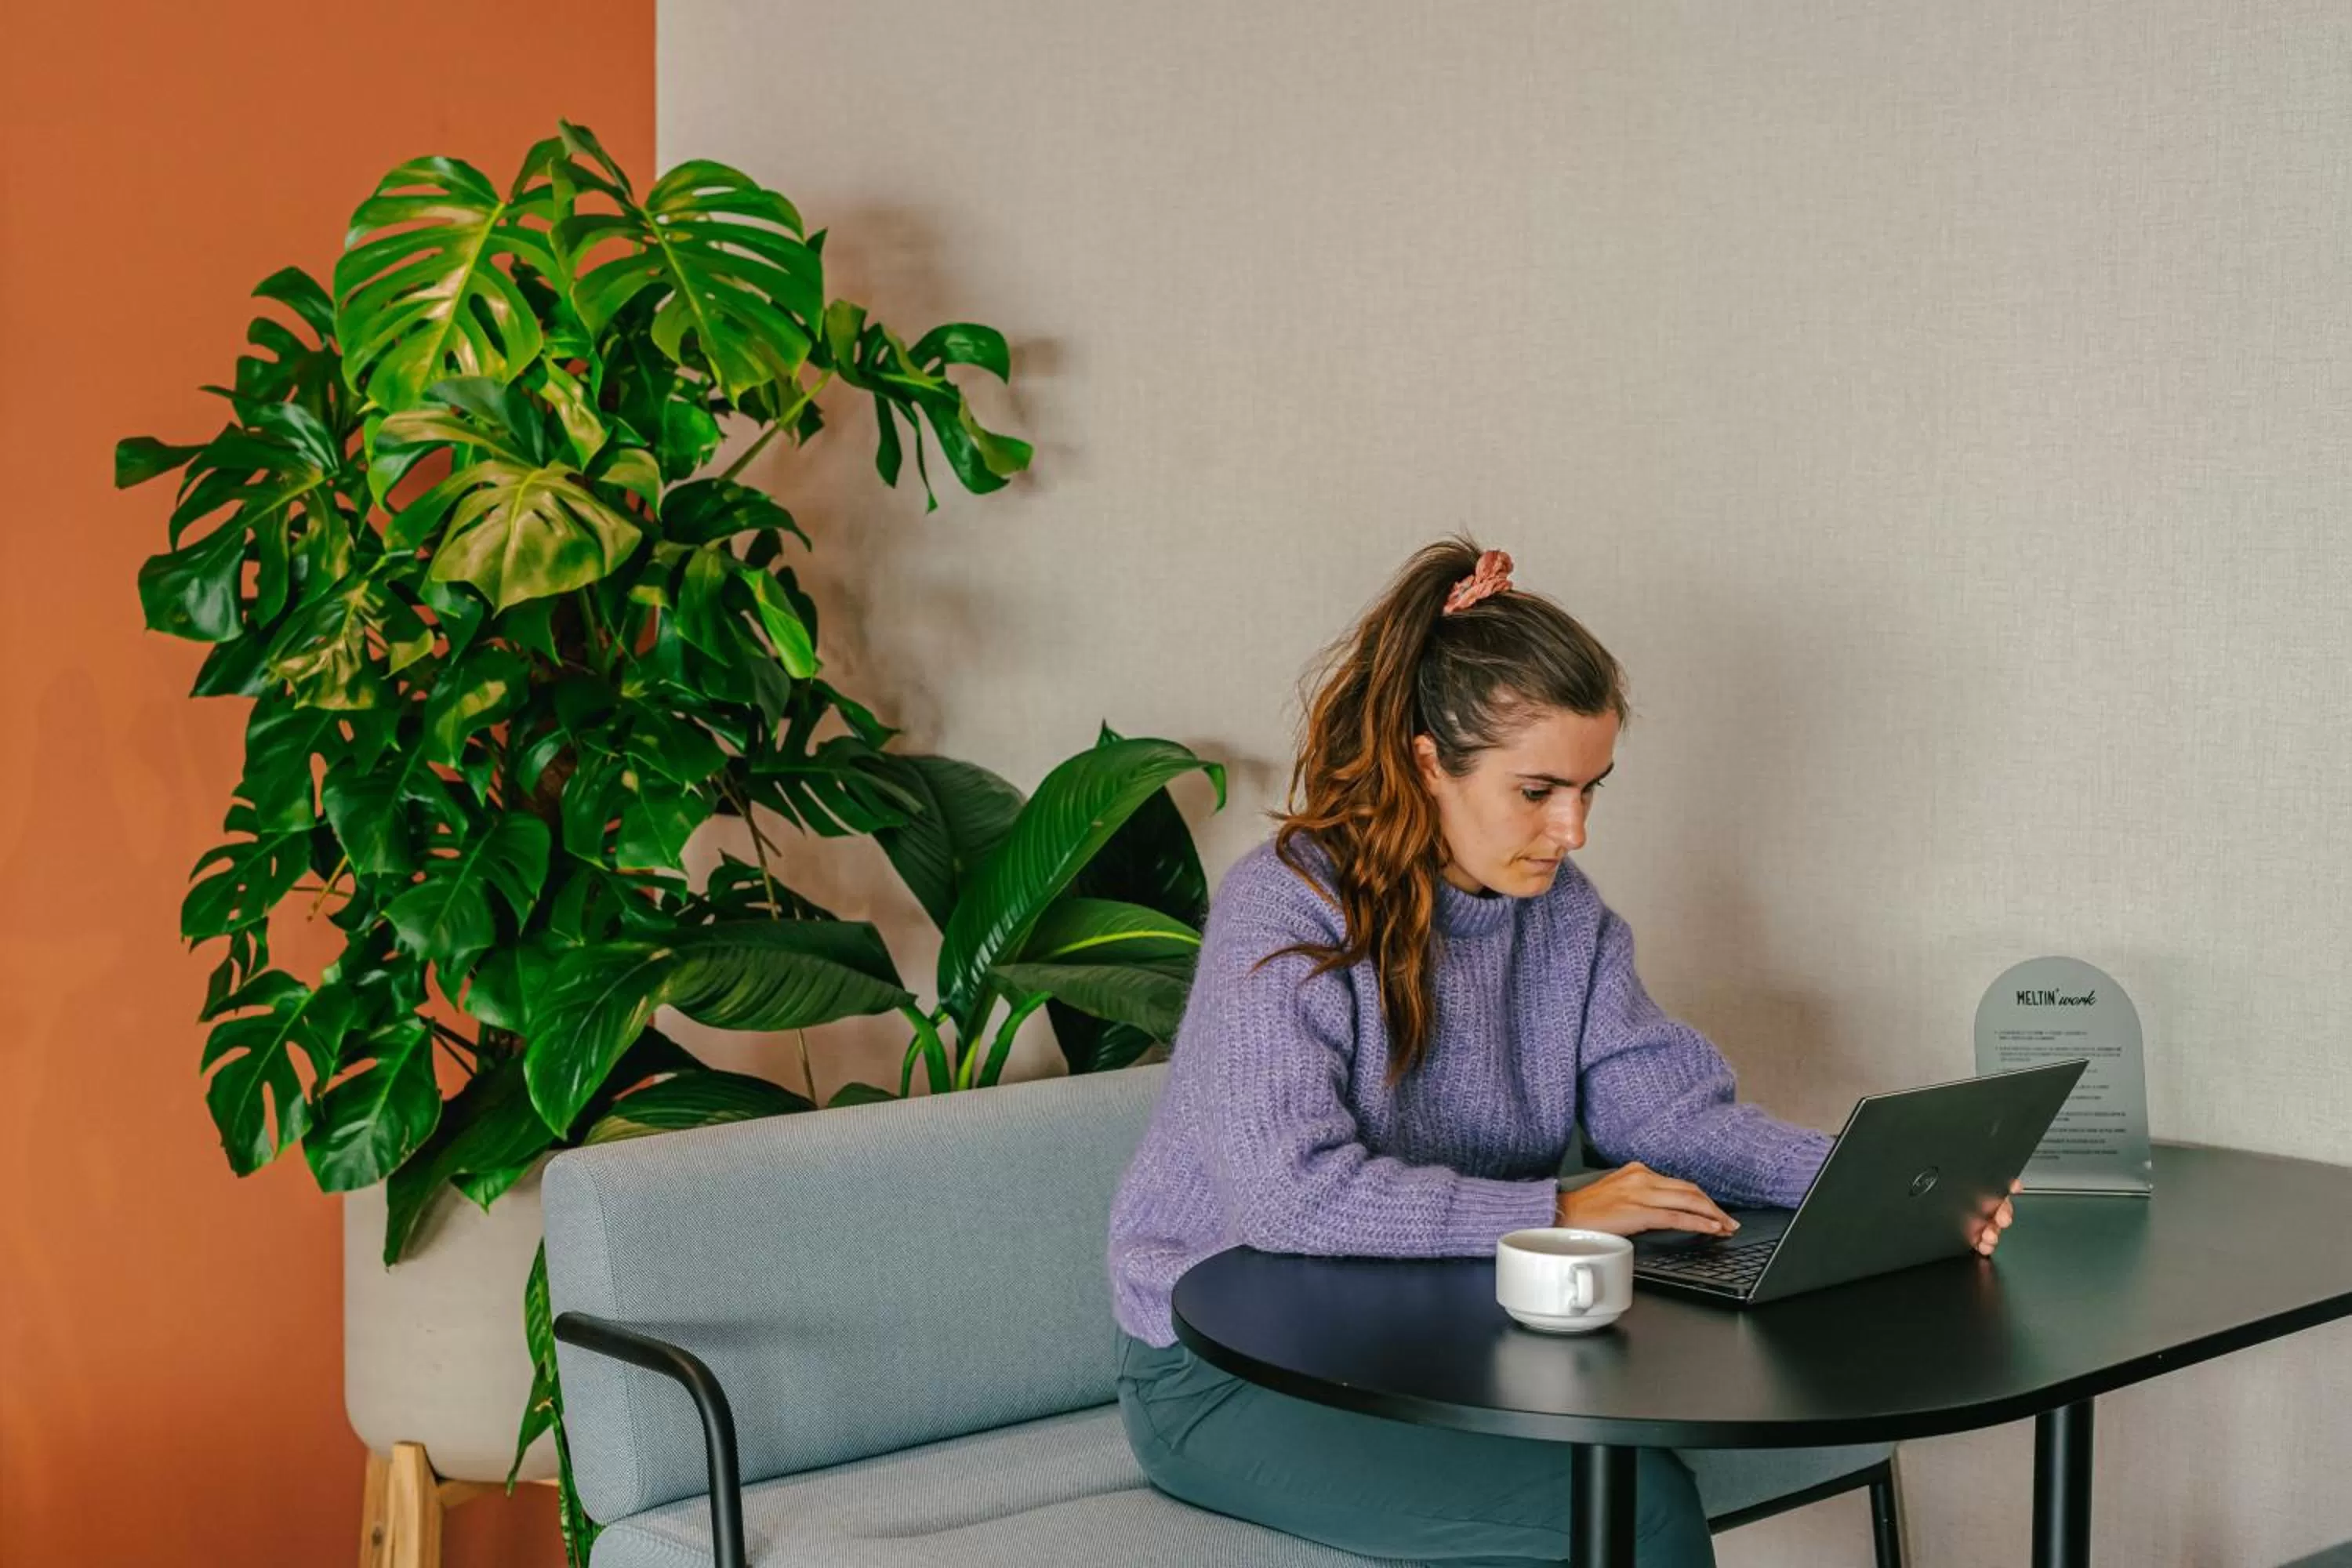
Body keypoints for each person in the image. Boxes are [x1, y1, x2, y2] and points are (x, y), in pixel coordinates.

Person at [1105, 537, 2018, 1567]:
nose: (1573, 830)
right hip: (1230, 1376)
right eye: (1538, 792)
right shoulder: (1289, 905)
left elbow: (1669, 1116)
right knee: (1634, 1513)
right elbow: (1285, 1192)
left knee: (1651, 1462)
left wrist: (1871, 1184)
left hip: (1442, 1342)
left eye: (1592, 789)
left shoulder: (1565, 923)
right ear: (1425, 763)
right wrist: (1559, 1210)